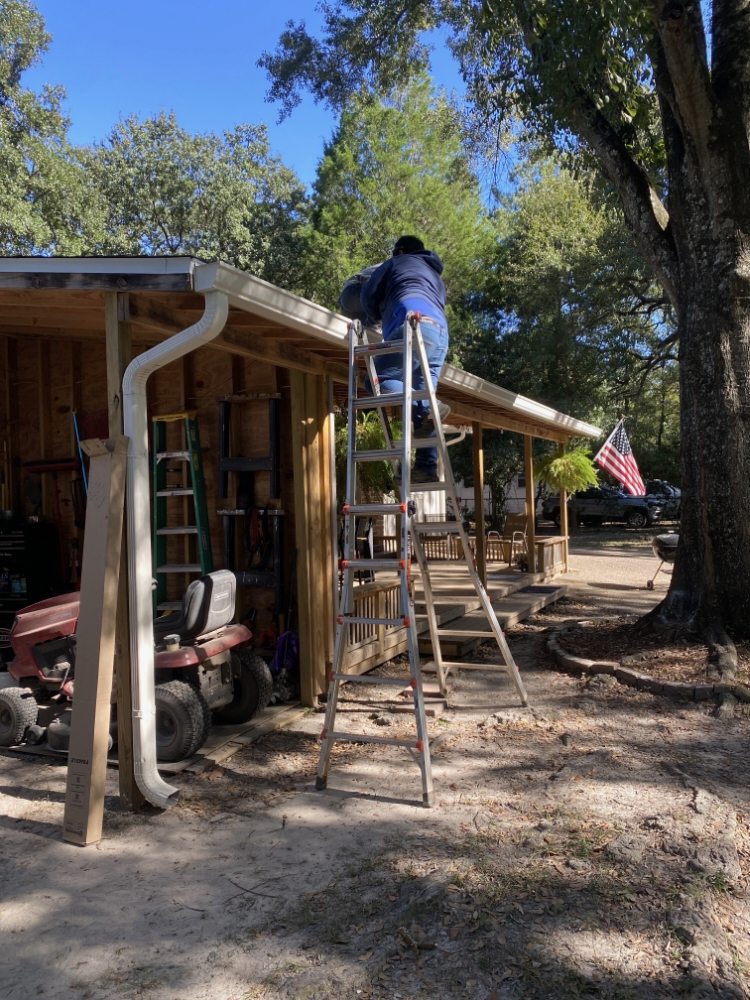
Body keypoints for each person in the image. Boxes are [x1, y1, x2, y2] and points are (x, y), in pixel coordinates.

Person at [360, 235, 450, 483]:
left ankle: (430, 407)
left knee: (374, 382)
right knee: (423, 410)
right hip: (439, 332)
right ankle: (425, 467)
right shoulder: (435, 276)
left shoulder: (395, 262)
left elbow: (368, 298)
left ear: (399, 251)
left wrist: (373, 315)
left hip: (410, 322)